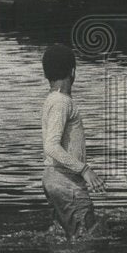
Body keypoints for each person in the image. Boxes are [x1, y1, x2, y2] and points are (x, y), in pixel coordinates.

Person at [40, 44, 106, 239]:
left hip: (53, 179)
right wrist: (84, 169)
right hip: (66, 181)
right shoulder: (62, 102)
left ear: (46, 74)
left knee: (65, 236)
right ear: (73, 71)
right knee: (87, 238)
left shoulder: (51, 100)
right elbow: (51, 146)